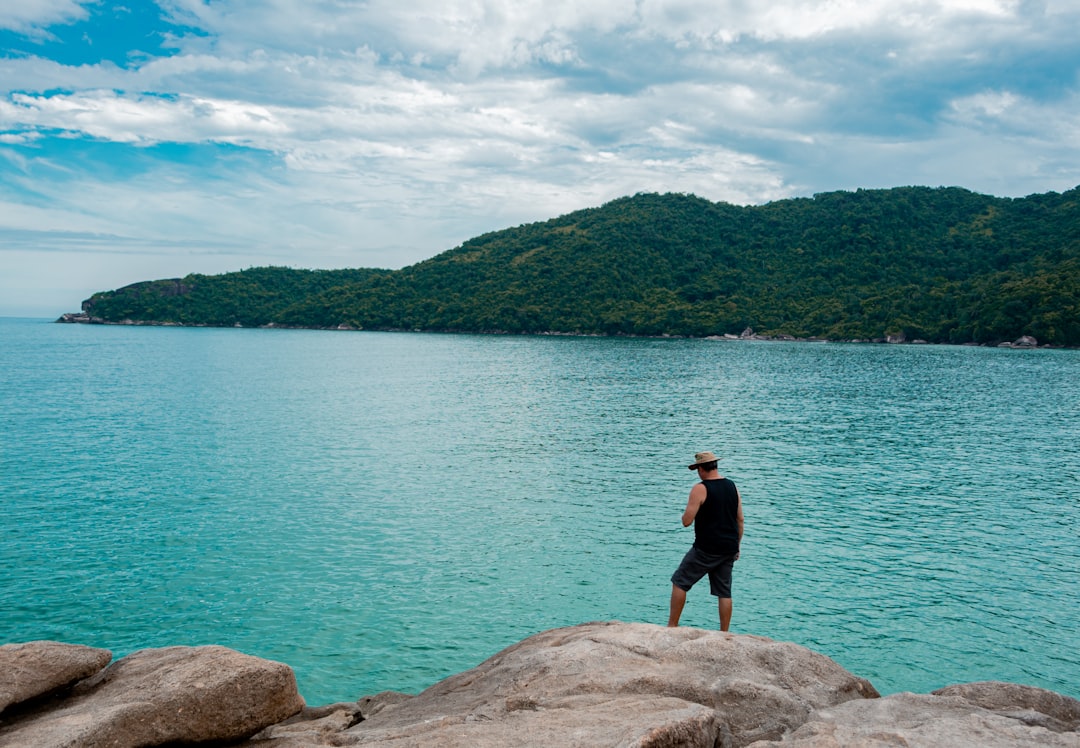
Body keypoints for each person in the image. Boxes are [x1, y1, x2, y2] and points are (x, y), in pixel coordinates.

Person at [667, 451, 744, 631]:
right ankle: (725, 633)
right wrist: (737, 546)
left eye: (697, 469)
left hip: (706, 548)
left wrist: (685, 514)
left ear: (701, 469)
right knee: (724, 592)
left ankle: (672, 626)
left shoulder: (700, 488)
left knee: (680, 581)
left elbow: (687, 521)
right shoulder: (732, 486)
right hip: (729, 548)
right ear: (715, 466)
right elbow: (740, 519)